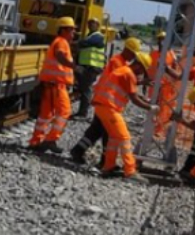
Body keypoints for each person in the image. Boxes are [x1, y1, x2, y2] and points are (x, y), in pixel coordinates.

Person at [70, 36, 142, 164]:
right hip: (106, 102)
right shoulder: (117, 62)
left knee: (97, 129)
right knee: (107, 131)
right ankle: (104, 161)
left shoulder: (121, 62)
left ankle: (79, 151)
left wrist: (138, 83)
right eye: (133, 54)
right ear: (127, 50)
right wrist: (139, 83)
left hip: (105, 101)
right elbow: (121, 82)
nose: (133, 57)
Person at [92, 51, 157, 181]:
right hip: (109, 108)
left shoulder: (124, 70)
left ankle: (108, 166)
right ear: (138, 65)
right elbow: (134, 98)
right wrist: (150, 107)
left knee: (114, 138)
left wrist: (145, 100)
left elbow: (131, 92)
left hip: (103, 106)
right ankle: (130, 171)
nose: (141, 74)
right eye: (142, 71)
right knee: (124, 137)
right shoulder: (129, 74)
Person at [28, 16, 76, 154]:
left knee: (45, 115)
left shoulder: (59, 41)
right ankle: (50, 140)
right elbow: (60, 55)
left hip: (50, 84)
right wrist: (74, 66)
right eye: (72, 30)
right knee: (65, 112)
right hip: (57, 85)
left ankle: (36, 141)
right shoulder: (62, 42)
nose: (73, 34)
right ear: (64, 30)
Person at [149, 30, 182, 140]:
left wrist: (173, 86)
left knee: (163, 108)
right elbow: (148, 69)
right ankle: (150, 127)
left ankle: (158, 130)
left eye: (163, 40)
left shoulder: (171, 55)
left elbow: (176, 72)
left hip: (166, 86)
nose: (161, 42)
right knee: (152, 106)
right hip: (153, 84)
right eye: (160, 39)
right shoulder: (153, 54)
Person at [73, 18, 106, 119]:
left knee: (86, 89)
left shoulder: (98, 36)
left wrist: (74, 43)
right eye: (89, 23)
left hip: (92, 67)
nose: (90, 25)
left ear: (97, 25)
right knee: (83, 88)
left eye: (93, 23)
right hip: (86, 66)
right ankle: (82, 112)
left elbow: (85, 43)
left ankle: (83, 113)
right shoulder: (89, 36)